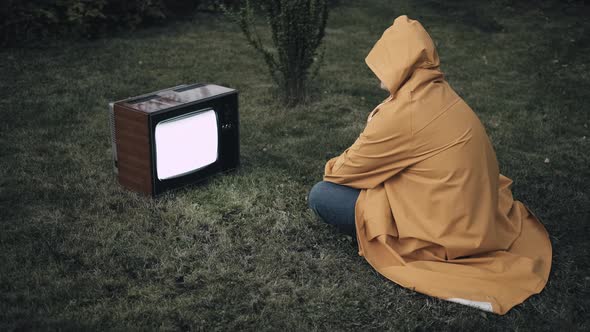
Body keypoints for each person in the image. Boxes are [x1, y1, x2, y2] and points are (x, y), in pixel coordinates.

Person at [308, 15, 552, 315]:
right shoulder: (438, 92)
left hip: (445, 230)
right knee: (375, 178)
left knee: (322, 194)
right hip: (472, 214)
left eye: (384, 61)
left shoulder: (403, 113)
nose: (376, 72)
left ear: (400, 64)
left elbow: (342, 172)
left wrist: (353, 150)